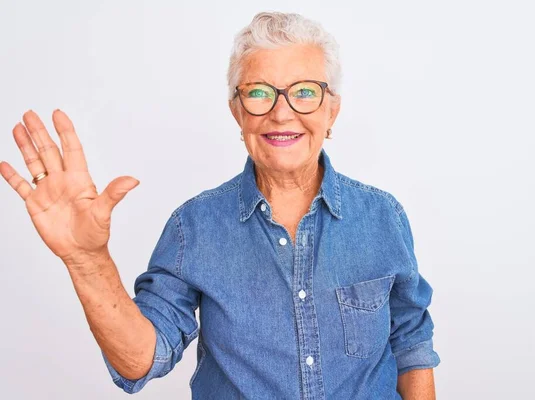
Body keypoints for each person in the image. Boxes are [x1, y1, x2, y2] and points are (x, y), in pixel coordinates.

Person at [0, 11, 440, 399]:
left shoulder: (384, 217)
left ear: (332, 111)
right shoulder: (194, 227)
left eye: (304, 92)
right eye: (259, 93)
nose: (282, 113)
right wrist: (86, 260)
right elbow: (140, 360)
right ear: (236, 111)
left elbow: (411, 343)